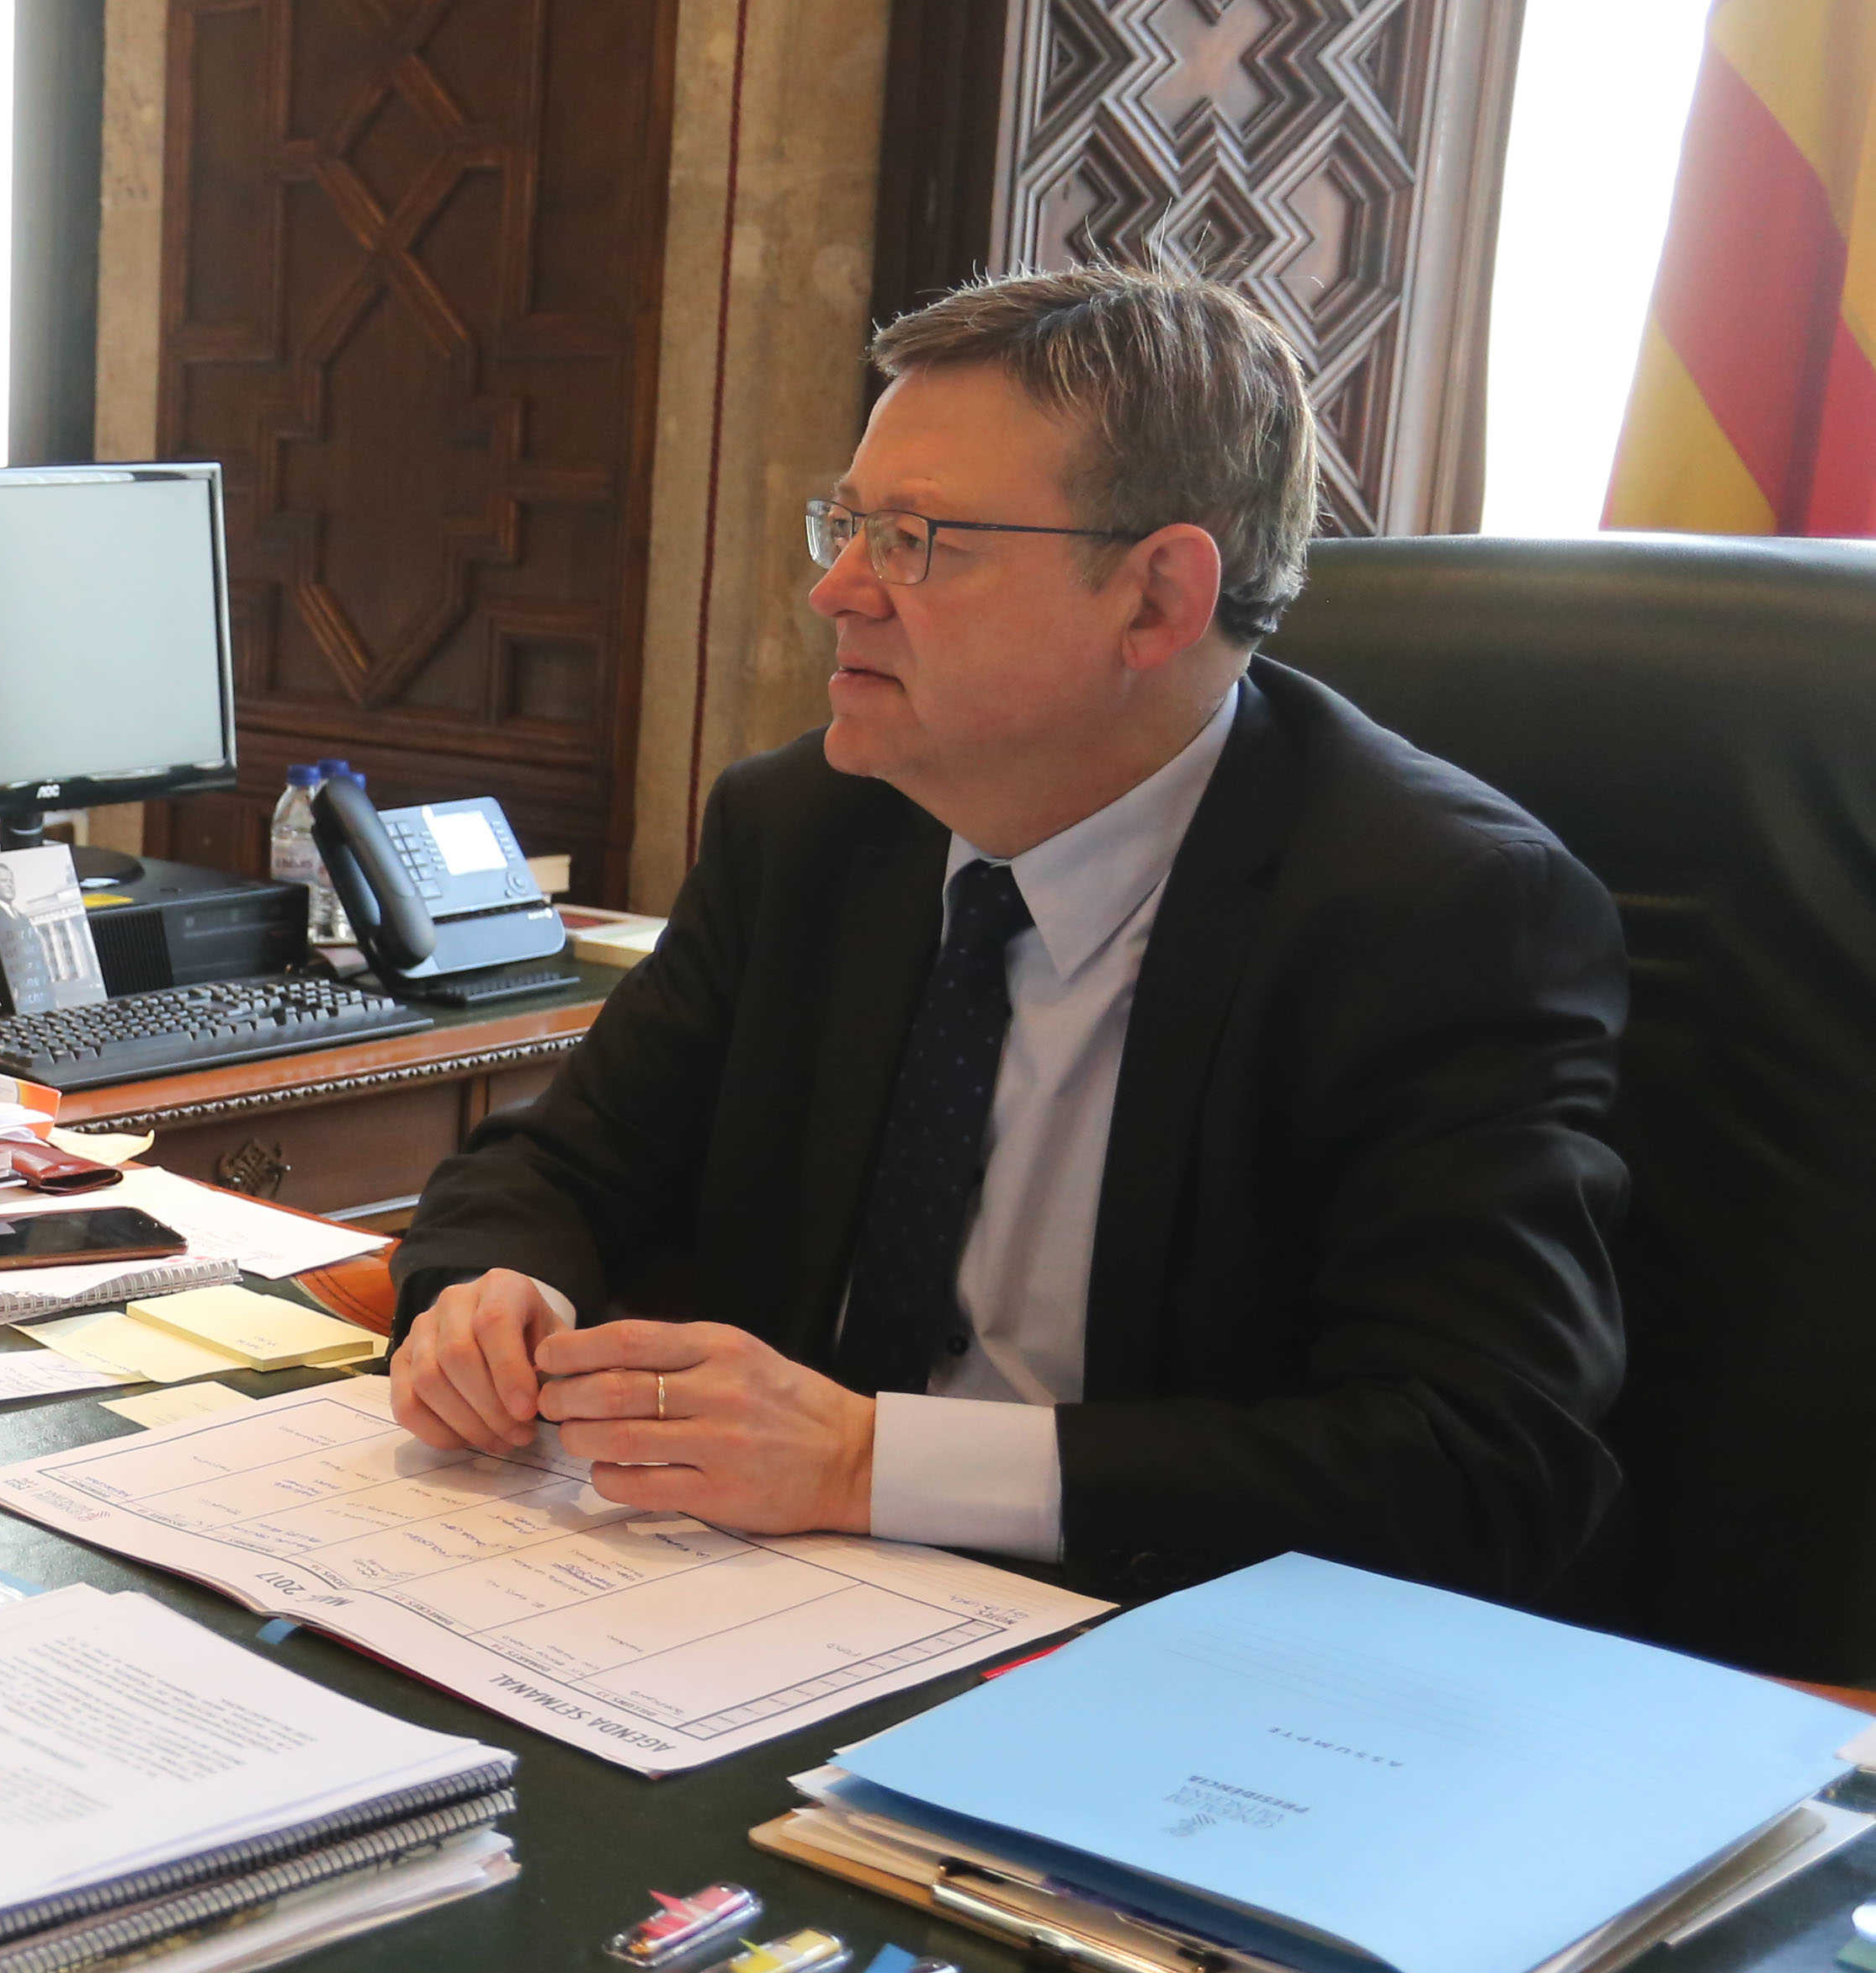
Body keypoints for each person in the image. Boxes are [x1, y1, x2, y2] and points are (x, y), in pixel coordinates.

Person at [387, 265, 1631, 1603]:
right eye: (846, 525)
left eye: (917, 540)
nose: (838, 592)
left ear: (1155, 599)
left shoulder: (1431, 911)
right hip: (747, 1604)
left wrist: (874, 1461)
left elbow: (1481, 1458)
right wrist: (492, 1290)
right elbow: (555, 1163)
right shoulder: (807, 824)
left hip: (1155, 1648)